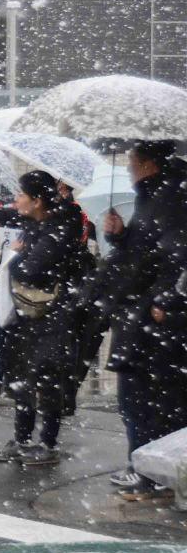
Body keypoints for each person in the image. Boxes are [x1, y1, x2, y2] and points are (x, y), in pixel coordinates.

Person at [0, 169, 89, 467]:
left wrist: (14, 255)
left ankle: (48, 444)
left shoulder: (60, 227)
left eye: (21, 195)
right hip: (26, 315)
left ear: (38, 200)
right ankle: (22, 439)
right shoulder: (34, 221)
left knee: (47, 378)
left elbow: (31, 270)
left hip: (52, 317)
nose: (16, 201)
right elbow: (0, 216)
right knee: (21, 378)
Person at [91, 140, 187, 499]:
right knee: (152, 396)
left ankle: (151, 470)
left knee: (148, 397)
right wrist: (120, 235)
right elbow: (148, 251)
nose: (128, 167)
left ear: (148, 164)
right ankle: (152, 468)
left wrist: (166, 300)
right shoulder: (159, 196)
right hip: (145, 314)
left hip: (154, 318)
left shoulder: (170, 200)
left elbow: (177, 255)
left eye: (132, 160)